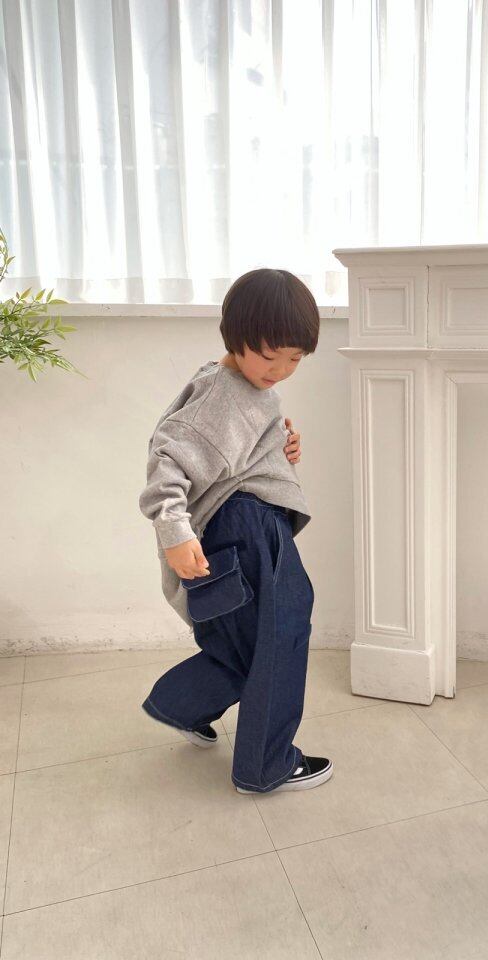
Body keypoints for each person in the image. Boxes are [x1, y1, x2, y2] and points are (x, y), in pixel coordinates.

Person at [137, 268, 333, 794]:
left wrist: (278, 450)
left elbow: (230, 451)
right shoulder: (223, 394)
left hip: (237, 525)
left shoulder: (238, 386)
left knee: (245, 643)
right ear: (236, 336)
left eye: (295, 359)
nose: (280, 370)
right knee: (280, 638)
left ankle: (181, 705)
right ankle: (266, 765)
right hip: (248, 528)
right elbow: (167, 460)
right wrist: (174, 532)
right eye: (270, 356)